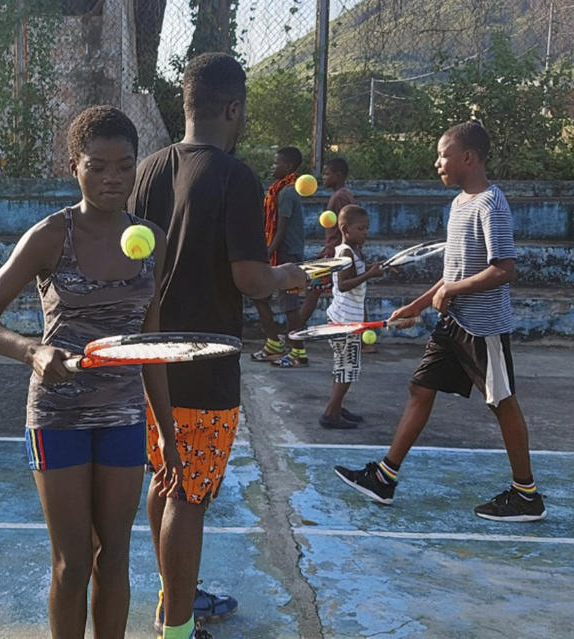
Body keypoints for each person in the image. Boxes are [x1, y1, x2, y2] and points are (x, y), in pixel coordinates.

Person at [0, 105, 182, 637]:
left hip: (124, 419)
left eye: (124, 166)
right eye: (97, 165)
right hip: (57, 417)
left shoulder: (151, 240)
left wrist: (168, 436)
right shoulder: (49, 236)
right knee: (73, 562)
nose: (112, 178)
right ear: (73, 167)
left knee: (115, 558)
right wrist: (33, 352)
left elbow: (149, 345)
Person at [130, 53, 306, 639]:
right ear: (233, 109)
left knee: (166, 478)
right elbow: (250, 277)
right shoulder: (234, 175)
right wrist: (290, 277)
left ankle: (172, 598)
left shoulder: (148, 170)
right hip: (204, 361)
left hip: (149, 358)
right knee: (190, 493)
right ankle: (177, 627)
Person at [334, 121, 547, 522]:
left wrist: (449, 293)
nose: (437, 163)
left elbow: (504, 270)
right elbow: (453, 271)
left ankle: (527, 495)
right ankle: (384, 477)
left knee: (502, 403)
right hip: (452, 324)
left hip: (483, 326)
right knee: (420, 387)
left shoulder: (491, 203)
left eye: (443, 155)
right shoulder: (459, 204)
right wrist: (418, 304)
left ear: (468, 158)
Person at [319, 204, 386, 429]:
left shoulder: (355, 249)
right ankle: (330, 414)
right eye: (361, 228)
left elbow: (359, 277)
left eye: (367, 228)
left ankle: (337, 407)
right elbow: (344, 284)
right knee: (346, 370)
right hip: (343, 321)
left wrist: (374, 270)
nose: (366, 232)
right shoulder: (345, 252)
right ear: (346, 230)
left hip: (351, 319)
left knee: (346, 368)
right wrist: (370, 273)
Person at [250, 146, 308, 368]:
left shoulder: (286, 193)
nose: (272, 166)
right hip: (281, 252)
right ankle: (273, 344)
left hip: (287, 254)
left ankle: (298, 351)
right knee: (261, 297)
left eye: (276, 163)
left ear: (289, 167)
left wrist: (266, 253)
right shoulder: (280, 190)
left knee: (290, 306)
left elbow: (281, 230)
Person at [298, 157, 356, 327]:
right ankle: (365, 340)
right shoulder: (344, 194)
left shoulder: (339, 197)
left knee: (314, 291)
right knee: (352, 293)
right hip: (337, 251)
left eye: (326, 174)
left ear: (338, 175)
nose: (323, 177)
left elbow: (346, 226)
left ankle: (293, 332)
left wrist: (330, 249)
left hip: (335, 254)